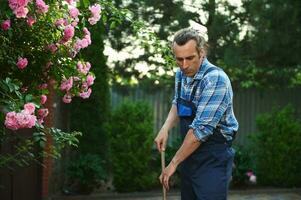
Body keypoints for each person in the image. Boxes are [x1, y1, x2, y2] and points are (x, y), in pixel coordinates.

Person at [154, 28, 239, 200]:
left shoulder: (215, 79)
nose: (184, 65)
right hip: (189, 154)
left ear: (202, 53)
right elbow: (178, 103)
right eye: (179, 59)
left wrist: (173, 164)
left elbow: (199, 131)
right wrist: (165, 128)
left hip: (212, 158)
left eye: (190, 58)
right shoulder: (181, 74)